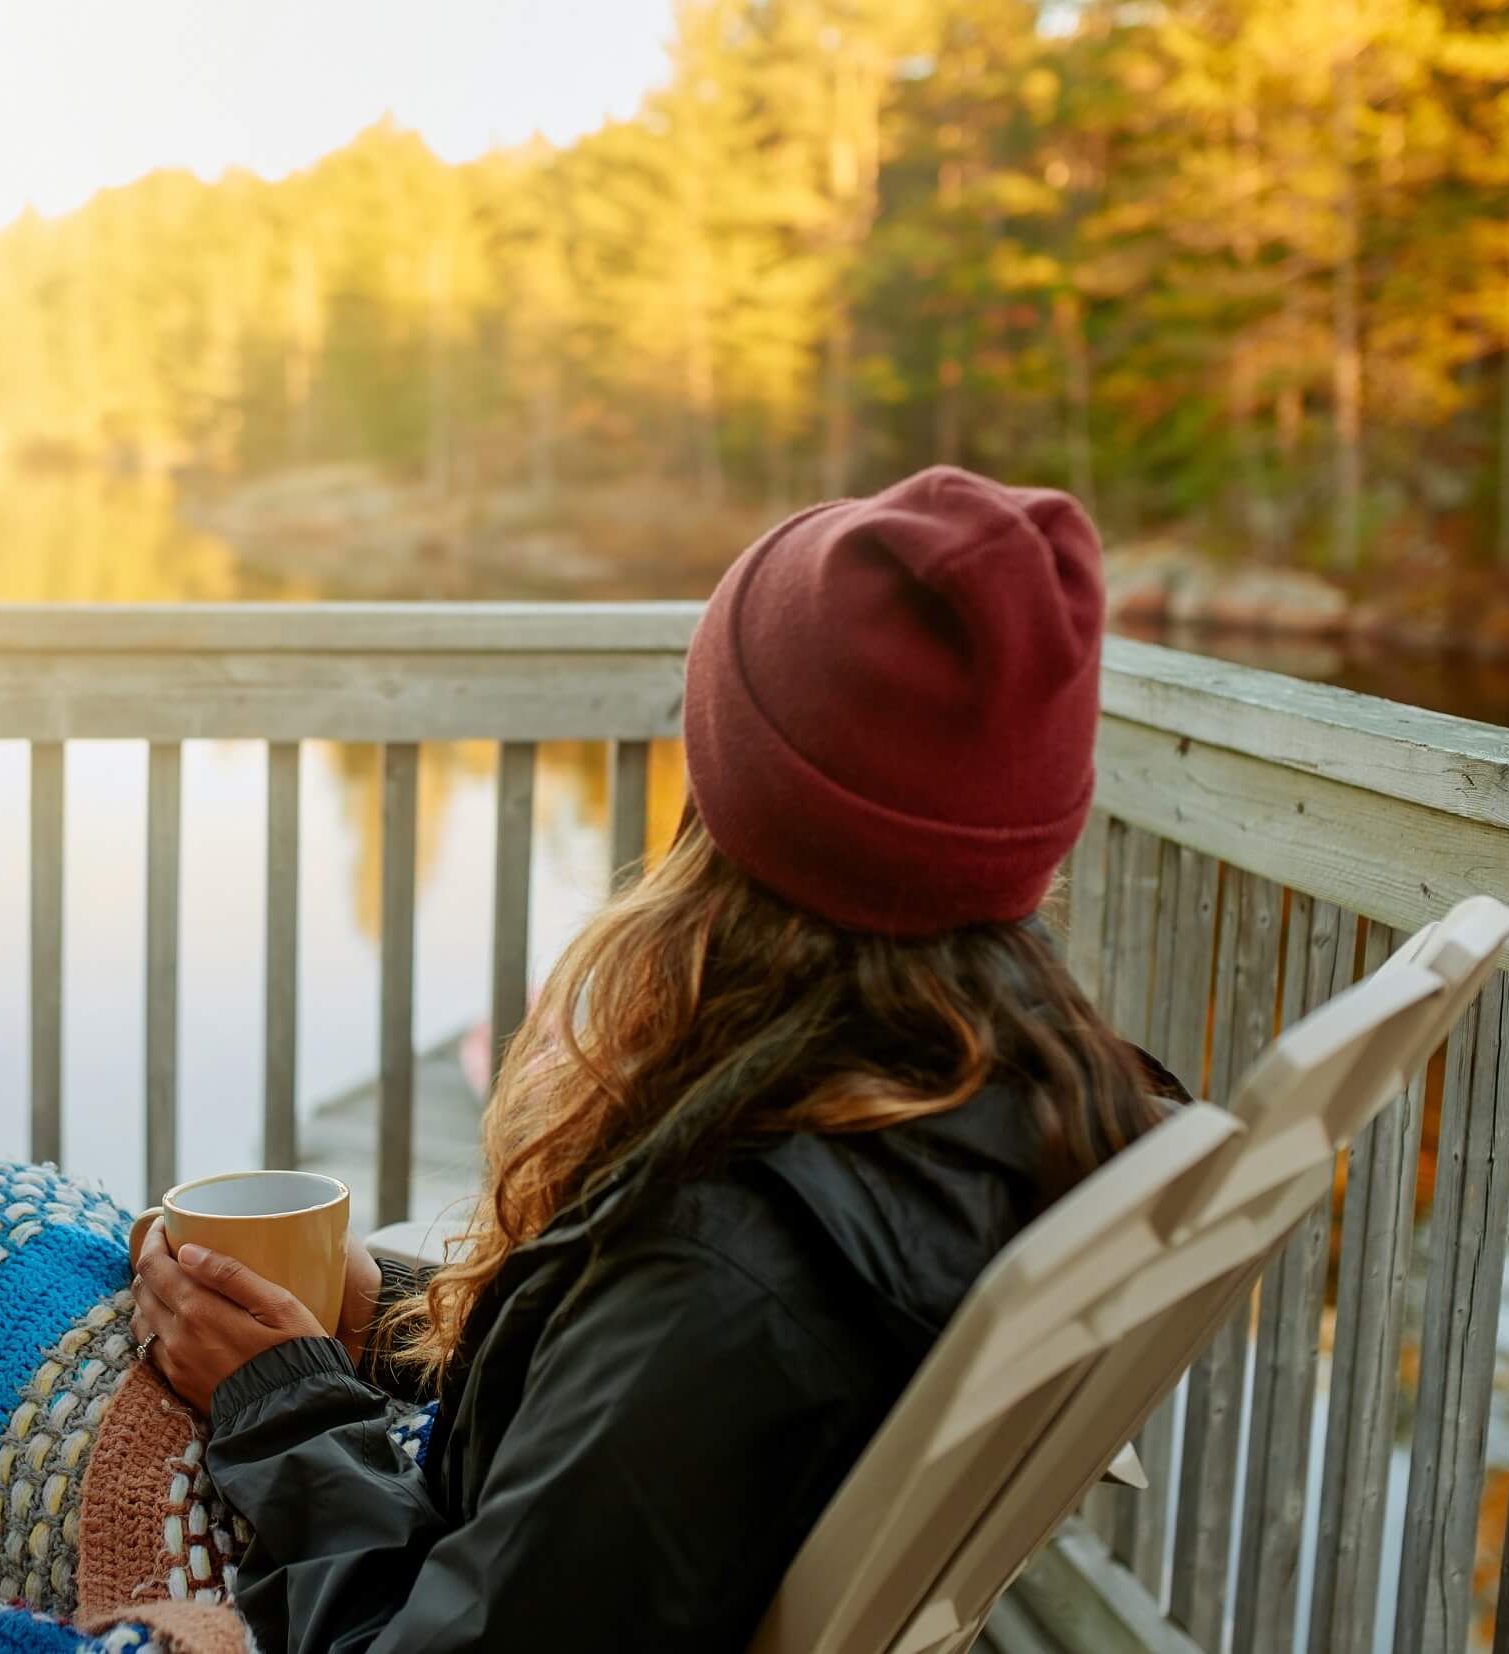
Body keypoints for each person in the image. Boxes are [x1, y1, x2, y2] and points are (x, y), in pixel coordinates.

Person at [127, 465, 1182, 1651]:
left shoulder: (724, 1270)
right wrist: (399, 1321)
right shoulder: (990, 1099)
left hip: (347, 1587)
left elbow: (478, 1605)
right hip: (475, 1526)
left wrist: (282, 1409)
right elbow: (616, 1449)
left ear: (741, 789)